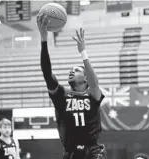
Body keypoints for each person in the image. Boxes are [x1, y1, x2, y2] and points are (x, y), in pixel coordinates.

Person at [37, 13, 107, 159]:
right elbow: (47, 72)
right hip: (71, 152)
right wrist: (44, 39)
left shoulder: (93, 95)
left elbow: (95, 83)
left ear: (85, 78)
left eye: (76, 70)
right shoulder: (62, 96)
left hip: (93, 151)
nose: (71, 71)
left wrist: (83, 52)